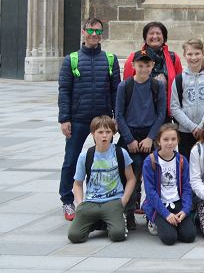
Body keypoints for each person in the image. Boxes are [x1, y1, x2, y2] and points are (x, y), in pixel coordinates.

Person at [58, 18, 121, 221]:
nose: (94, 35)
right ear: (83, 32)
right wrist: (64, 118)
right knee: (71, 159)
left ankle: (105, 195)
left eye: (98, 31)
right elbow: (64, 90)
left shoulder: (110, 59)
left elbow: (115, 91)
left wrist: (116, 118)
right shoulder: (72, 59)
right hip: (77, 118)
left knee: (107, 159)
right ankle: (68, 200)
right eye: (91, 31)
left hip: (103, 120)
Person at [115, 49, 167, 230]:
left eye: (147, 65)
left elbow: (161, 114)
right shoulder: (125, 86)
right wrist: (128, 139)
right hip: (130, 134)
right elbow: (119, 115)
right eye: (140, 65)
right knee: (130, 176)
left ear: (152, 66)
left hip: (149, 136)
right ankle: (128, 212)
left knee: (152, 176)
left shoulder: (157, 86)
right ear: (133, 65)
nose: (143, 68)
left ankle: (152, 213)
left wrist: (150, 137)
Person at [67, 116, 136, 244]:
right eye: (100, 132)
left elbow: (131, 179)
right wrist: (80, 204)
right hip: (91, 201)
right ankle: (99, 222)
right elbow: (77, 184)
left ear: (113, 134)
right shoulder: (85, 156)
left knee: (118, 235)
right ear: (93, 134)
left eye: (108, 132)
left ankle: (111, 220)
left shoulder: (121, 153)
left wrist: (124, 200)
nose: (104, 136)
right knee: (74, 236)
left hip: (113, 201)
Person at [142, 124, 195, 245]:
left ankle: (176, 223)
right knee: (169, 238)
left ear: (178, 140)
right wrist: (166, 215)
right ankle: (152, 220)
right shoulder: (150, 161)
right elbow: (150, 192)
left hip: (177, 203)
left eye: (173, 139)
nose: (170, 143)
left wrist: (185, 210)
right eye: (165, 139)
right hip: (159, 204)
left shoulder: (181, 160)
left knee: (189, 236)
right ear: (159, 141)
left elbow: (187, 187)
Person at [170, 39, 204, 159]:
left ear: (203, 54)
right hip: (185, 131)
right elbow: (175, 107)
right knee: (186, 163)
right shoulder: (179, 79)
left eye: (197, 53)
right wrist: (192, 127)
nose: (194, 58)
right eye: (190, 54)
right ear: (184, 55)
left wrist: (202, 125)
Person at [122, 21, 183, 115]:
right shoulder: (134, 57)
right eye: (151, 33)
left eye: (158, 33)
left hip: (165, 112)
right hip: (139, 112)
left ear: (164, 37)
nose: (155, 36)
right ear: (145, 37)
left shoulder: (173, 58)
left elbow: (180, 85)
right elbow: (126, 87)